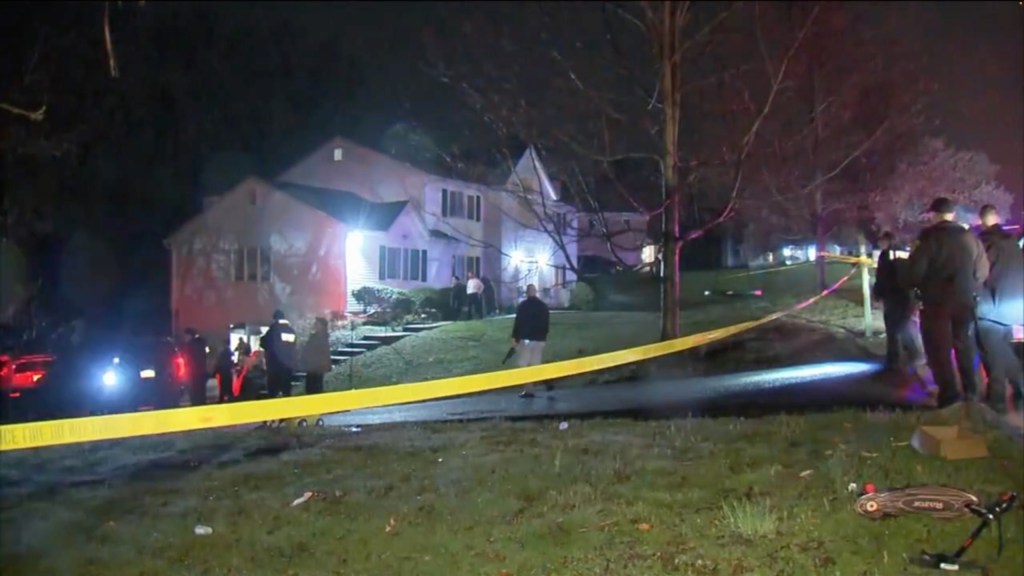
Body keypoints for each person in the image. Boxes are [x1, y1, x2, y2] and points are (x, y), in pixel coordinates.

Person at [905, 197, 989, 408]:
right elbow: (982, 271)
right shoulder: (970, 238)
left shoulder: (929, 239)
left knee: (939, 349)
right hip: (965, 301)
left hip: (937, 304)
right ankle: (972, 391)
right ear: (953, 214)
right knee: (965, 346)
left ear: (934, 215)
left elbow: (914, 273)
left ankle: (949, 395)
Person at [975, 204, 1024, 411]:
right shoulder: (1013, 243)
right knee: (1002, 349)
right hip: (1013, 307)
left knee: (993, 352)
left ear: (981, 220)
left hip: (991, 307)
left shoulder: (984, 244)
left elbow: (978, 275)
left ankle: (997, 400)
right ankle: (1017, 389)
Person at [872, 232, 924, 371]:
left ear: (887, 241)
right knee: (904, 325)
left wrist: (878, 293)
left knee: (894, 328)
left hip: (893, 295)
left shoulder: (886, 255)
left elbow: (882, 277)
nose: (879, 244)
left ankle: (895, 359)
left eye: (881, 241)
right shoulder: (904, 252)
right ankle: (910, 355)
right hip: (905, 295)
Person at [512, 283, 550, 398]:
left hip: (527, 339)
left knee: (524, 365)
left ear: (527, 292)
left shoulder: (523, 306)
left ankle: (528, 390)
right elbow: (546, 324)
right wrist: (543, 336)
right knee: (534, 364)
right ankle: (534, 387)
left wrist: (515, 337)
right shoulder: (543, 306)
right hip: (539, 339)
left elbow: (518, 323)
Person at [260, 309, 297, 398]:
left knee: (273, 390)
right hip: (288, 365)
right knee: (286, 390)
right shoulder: (291, 330)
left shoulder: (274, 329)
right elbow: (294, 346)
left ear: (275, 318)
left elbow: (264, 343)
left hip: (275, 365)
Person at [301, 317, 332, 395]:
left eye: (317, 324)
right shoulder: (315, 337)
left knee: (315, 388)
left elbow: (323, 353)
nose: (315, 325)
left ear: (322, 326)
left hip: (317, 367)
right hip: (312, 367)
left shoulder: (321, 338)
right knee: (310, 388)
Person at [184, 328, 210, 406]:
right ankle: (202, 405)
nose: (185, 338)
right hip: (202, 371)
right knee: (201, 391)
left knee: (195, 392)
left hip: (194, 372)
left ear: (189, 335)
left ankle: (196, 406)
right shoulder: (202, 343)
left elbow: (189, 359)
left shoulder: (190, 345)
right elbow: (207, 354)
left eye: (186, 336)